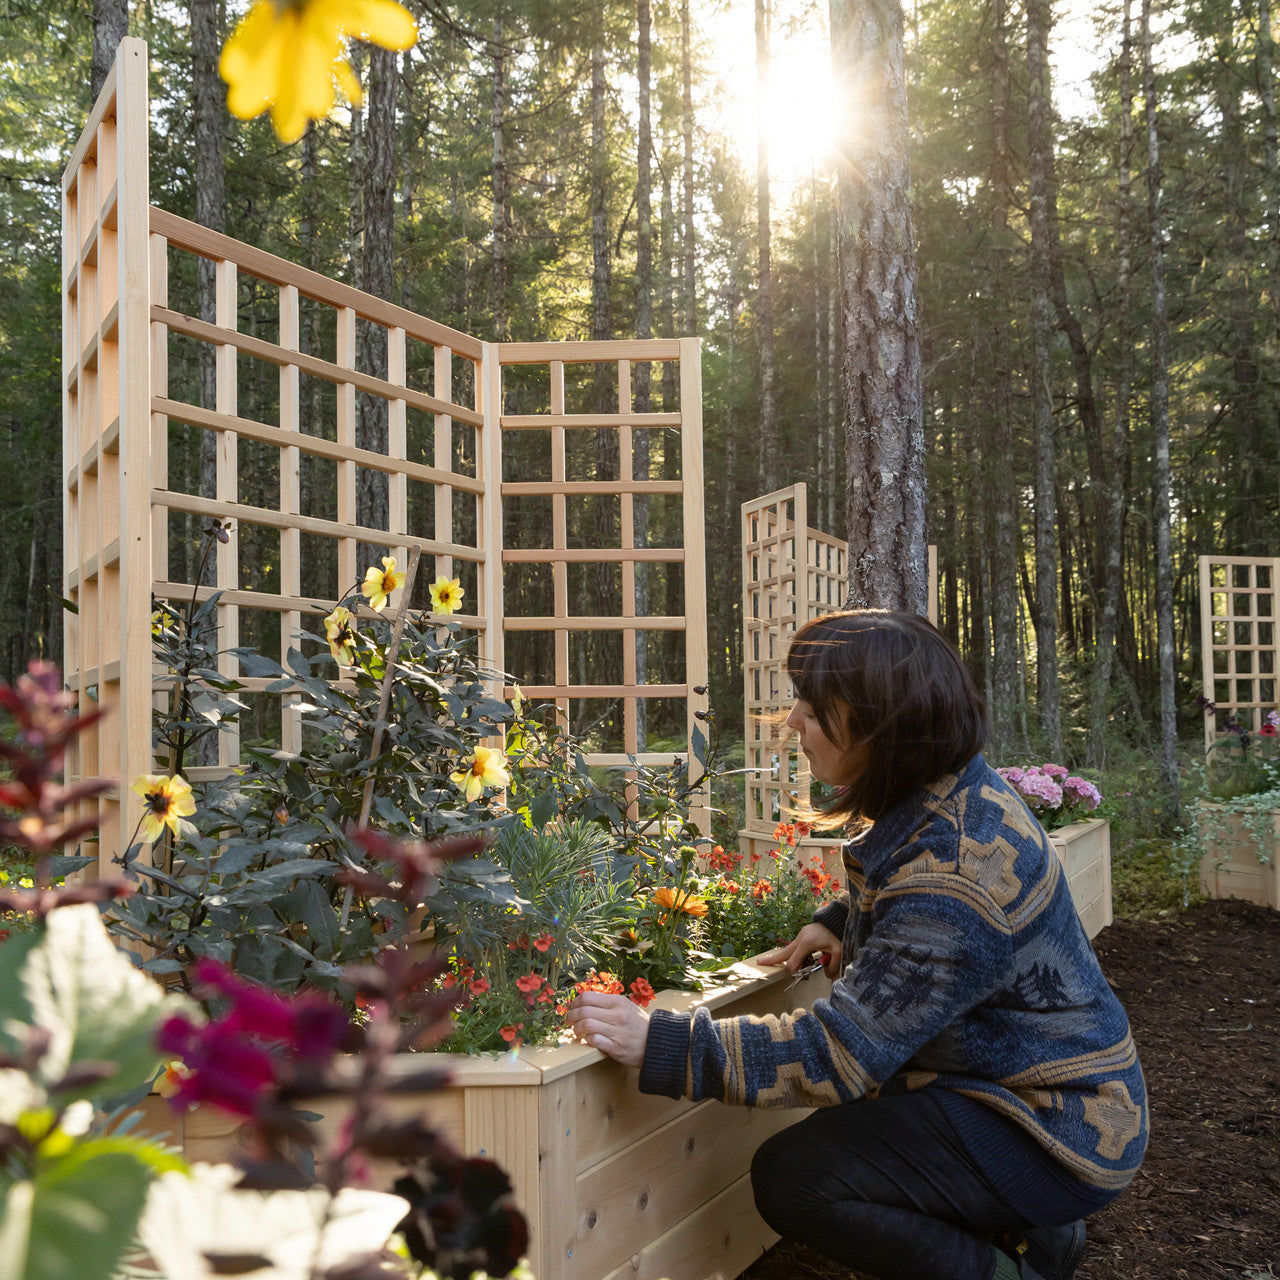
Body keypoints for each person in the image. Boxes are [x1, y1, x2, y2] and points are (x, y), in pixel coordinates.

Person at [566, 609, 1147, 1280]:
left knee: (798, 1176)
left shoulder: (949, 879)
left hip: (1050, 1130)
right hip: (1053, 1096)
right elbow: (922, 899)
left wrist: (663, 1043)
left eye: (811, 710)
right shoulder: (955, 796)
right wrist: (841, 919)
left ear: (876, 722)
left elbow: (838, 1057)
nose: (792, 725)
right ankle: (1041, 1237)